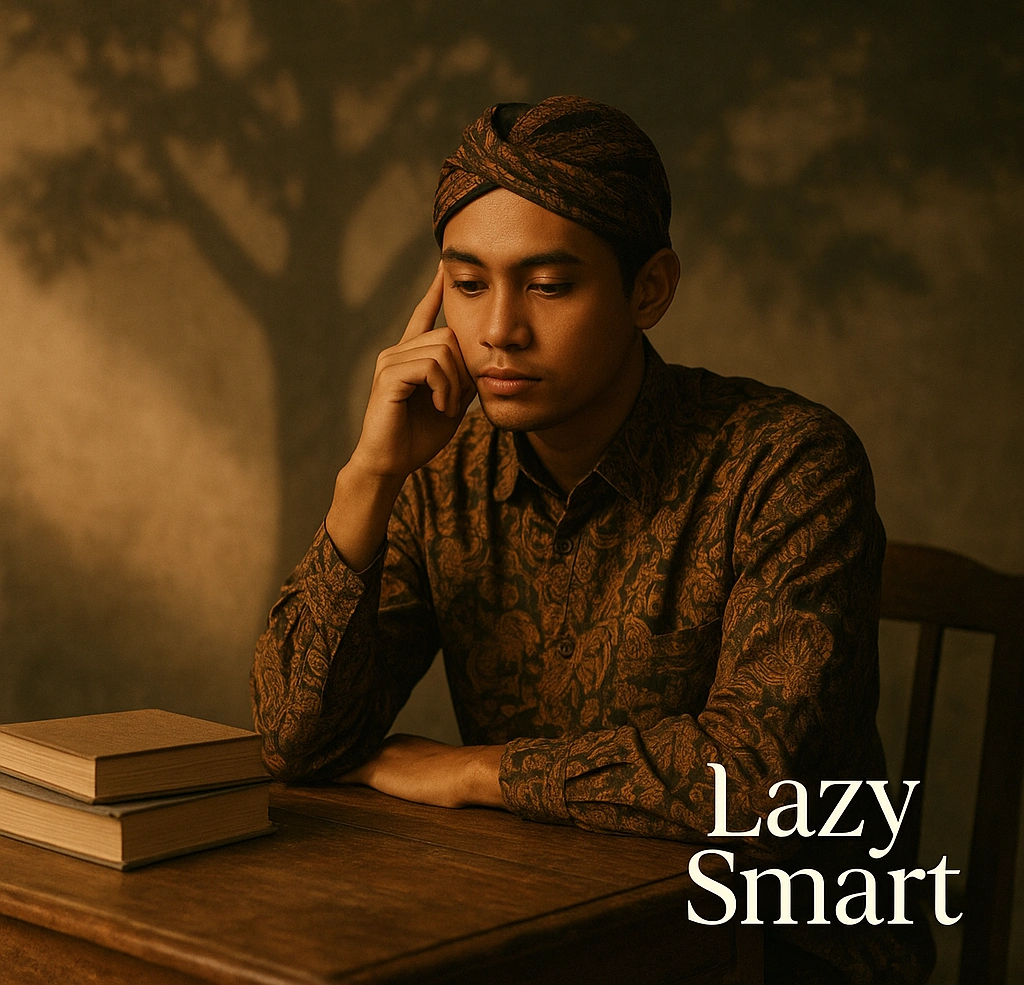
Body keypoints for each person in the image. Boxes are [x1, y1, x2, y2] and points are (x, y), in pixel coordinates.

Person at [251, 96, 934, 982]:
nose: (498, 330)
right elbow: (296, 742)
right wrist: (366, 480)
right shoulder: (442, 468)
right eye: (467, 284)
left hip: (779, 948)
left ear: (648, 289)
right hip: (548, 929)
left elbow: (755, 785)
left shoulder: (790, 464)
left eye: (548, 285)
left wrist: (479, 774)